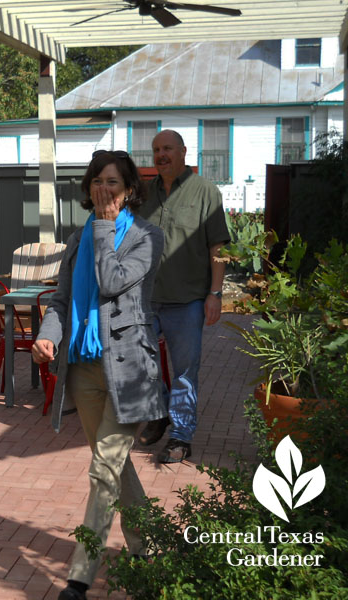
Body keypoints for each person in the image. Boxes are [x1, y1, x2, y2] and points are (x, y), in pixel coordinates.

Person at [32, 150, 166, 600]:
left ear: (129, 191)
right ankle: (148, 551)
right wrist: (49, 334)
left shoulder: (148, 237)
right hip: (83, 368)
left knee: (102, 470)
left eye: (112, 182)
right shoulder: (77, 239)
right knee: (115, 466)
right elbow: (59, 299)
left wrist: (105, 229)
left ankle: (79, 577)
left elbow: (112, 282)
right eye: (96, 181)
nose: (102, 190)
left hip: (129, 371)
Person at [137, 130, 231, 464]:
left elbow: (217, 247)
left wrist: (215, 294)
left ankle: (180, 436)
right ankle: (160, 412)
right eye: (156, 150)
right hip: (146, 299)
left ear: (183, 152)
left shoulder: (205, 192)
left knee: (184, 374)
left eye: (167, 149)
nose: (161, 155)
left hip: (188, 300)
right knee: (139, 362)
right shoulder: (145, 194)